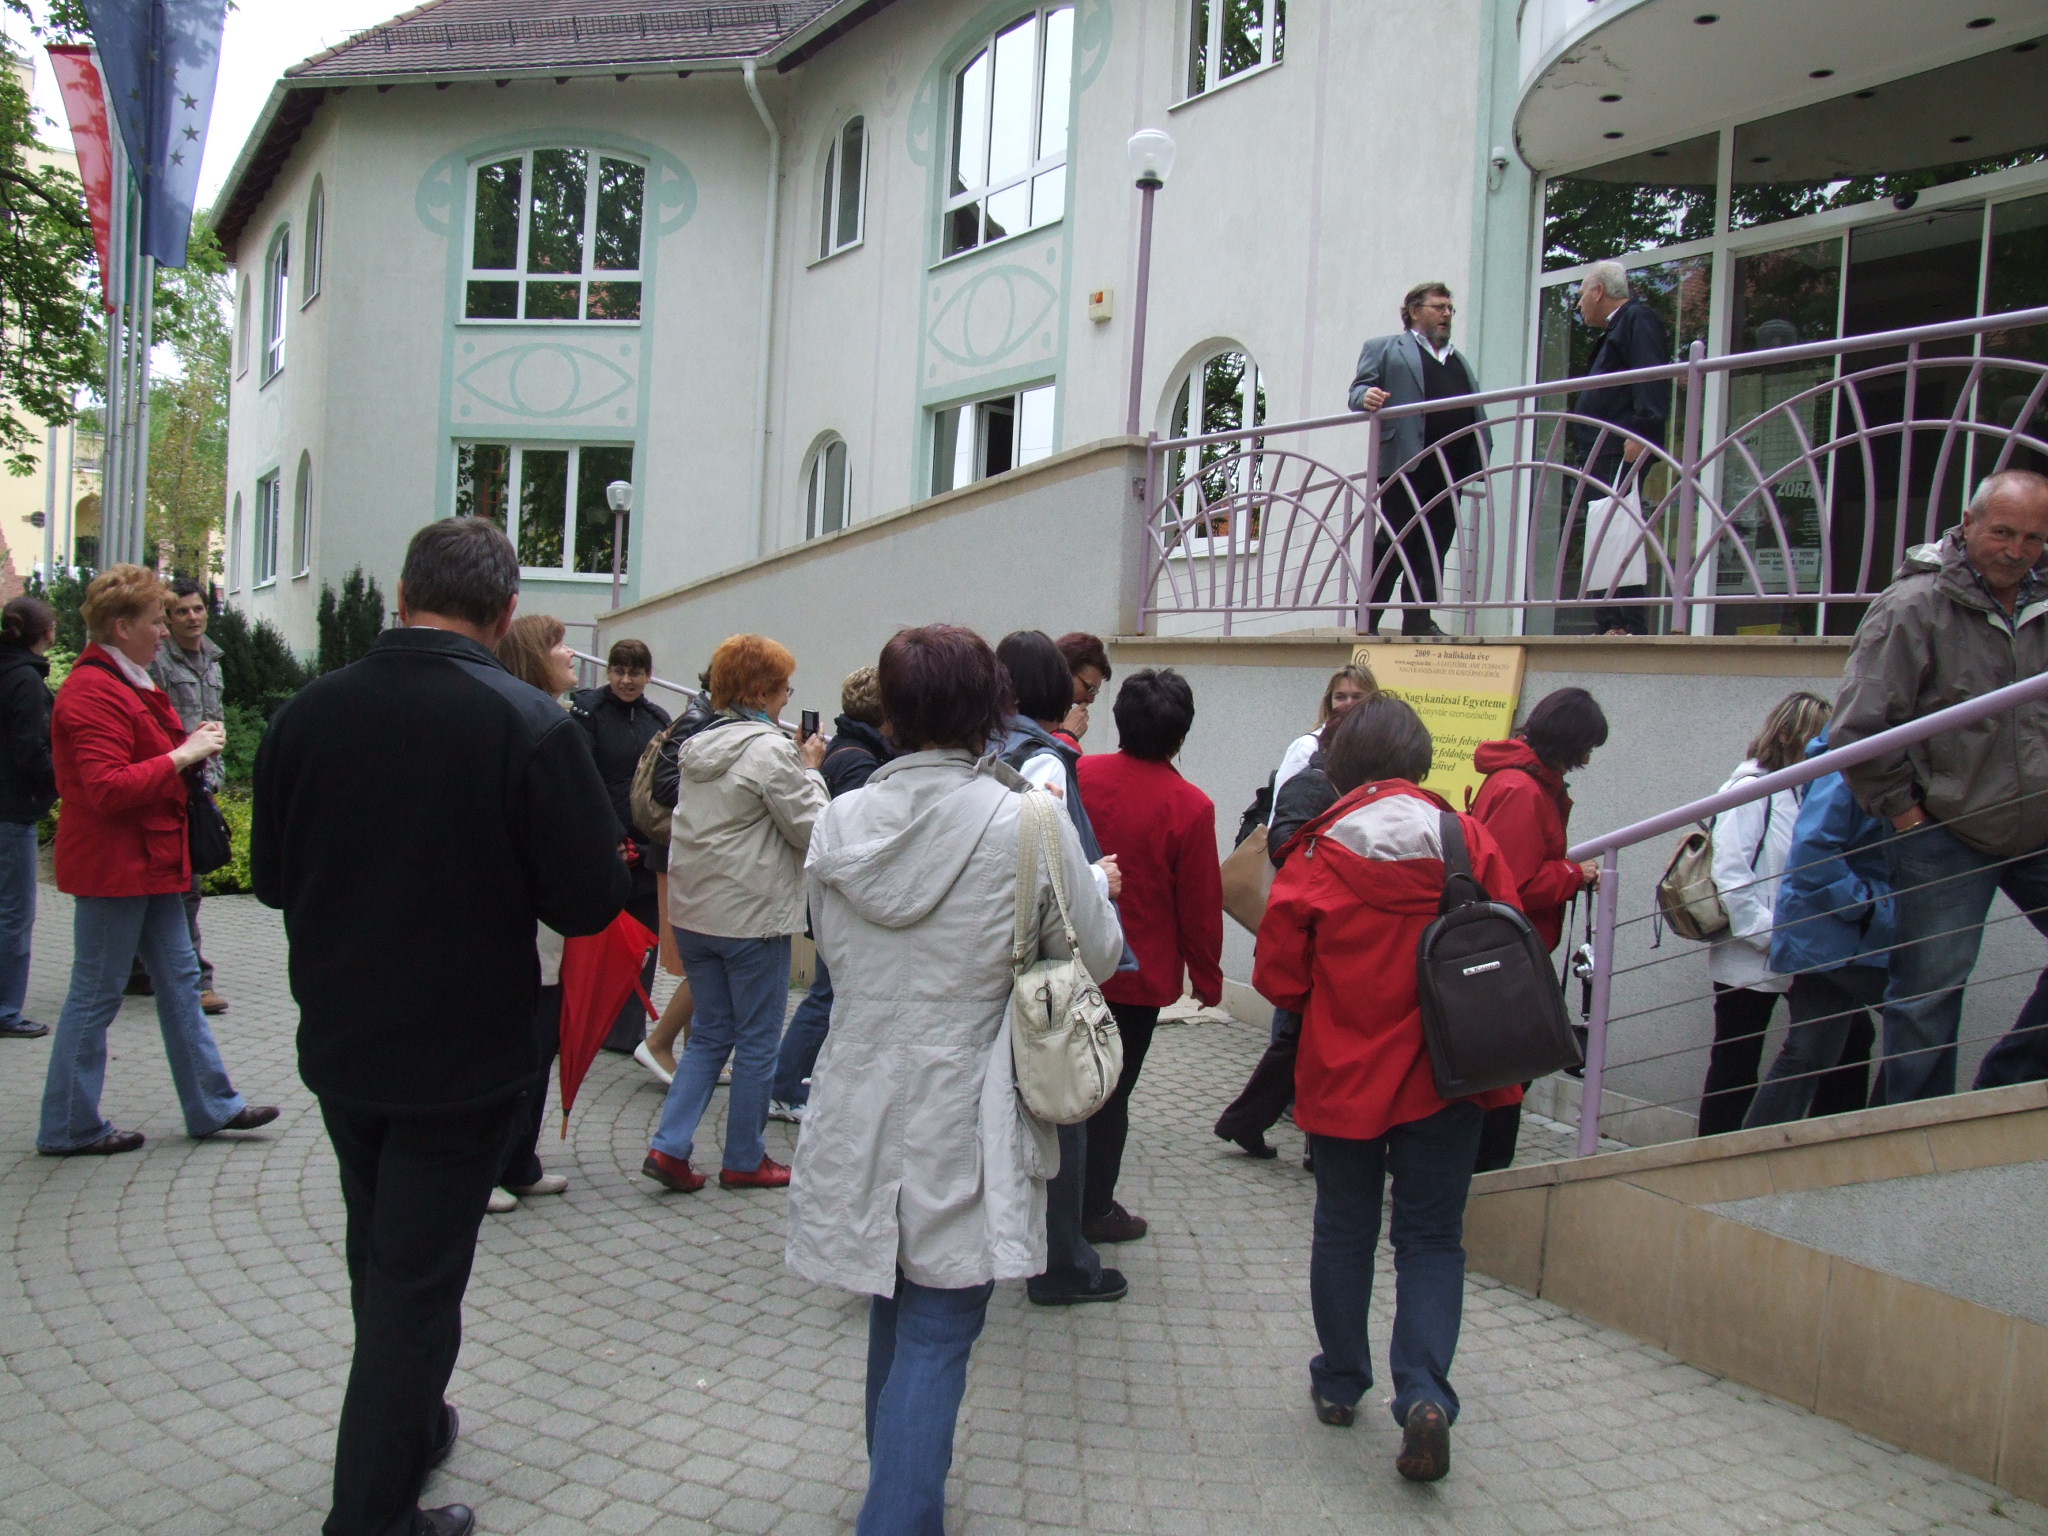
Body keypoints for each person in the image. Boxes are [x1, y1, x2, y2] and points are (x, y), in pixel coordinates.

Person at [253, 518, 628, 1536]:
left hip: (343, 1037)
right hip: (460, 1058)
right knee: (414, 1283)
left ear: (401, 594)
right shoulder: (527, 723)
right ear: (506, 612)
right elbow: (588, 902)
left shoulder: (307, 713)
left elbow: (271, 879)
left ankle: (408, 1426)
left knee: (382, 1257)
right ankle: (371, 1512)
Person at [787, 623, 1123, 1536]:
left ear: (892, 713)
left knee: (891, 1298)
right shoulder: (1029, 821)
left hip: (859, 1088)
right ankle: (898, 1515)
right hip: (969, 1101)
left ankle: (903, 1489)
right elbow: (1099, 953)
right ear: (991, 709)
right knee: (940, 1321)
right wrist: (1091, 887)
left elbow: (827, 946)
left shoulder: (838, 819)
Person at [1253, 693, 1524, 1484]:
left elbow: (1278, 978)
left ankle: (1341, 1383)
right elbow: (1511, 938)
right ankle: (1425, 1393)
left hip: (1345, 1076)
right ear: (1421, 759)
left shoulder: (1316, 851)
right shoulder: (1466, 839)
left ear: (1340, 768)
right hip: (1449, 1075)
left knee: (1344, 1231)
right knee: (1431, 1239)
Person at [36, 566, 274, 1156]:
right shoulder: (93, 690)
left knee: (180, 982)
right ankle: (68, 1125)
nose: (165, 631)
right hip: (117, 867)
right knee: (97, 993)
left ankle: (212, 1106)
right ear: (122, 627)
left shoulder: (124, 680)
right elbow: (106, 788)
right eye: (155, 621)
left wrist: (182, 752)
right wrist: (183, 754)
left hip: (150, 861)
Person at [1831, 470, 2048, 1104]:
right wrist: (1907, 817)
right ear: (1968, 523)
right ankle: (1913, 1136)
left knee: (1929, 997)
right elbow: (1859, 729)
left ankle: (2005, 1088)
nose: (2016, 550)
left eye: (2033, 538)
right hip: (1943, 830)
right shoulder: (1913, 605)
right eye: (2003, 532)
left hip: (2037, 824)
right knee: (1927, 998)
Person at [641, 633, 828, 1194]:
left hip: (695, 912)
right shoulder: (771, 751)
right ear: (762, 691)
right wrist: (812, 769)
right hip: (752, 917)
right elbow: (814, 827)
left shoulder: (699, 745)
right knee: (757, 1041)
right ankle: (744, 1157)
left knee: (709, 1035)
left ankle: (670, 1145)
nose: (787, 697)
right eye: (783, 688)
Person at [996, 629, 1127, 1306]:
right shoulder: (1045, 760)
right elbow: (1056, 875)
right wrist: (1098, 880)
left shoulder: (981, 748)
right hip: (1041, 965)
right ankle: (1061, 1264)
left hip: (983, 959)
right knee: (1062, 1103)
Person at [1075, 668, 1223, 1243]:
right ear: (1181, 736)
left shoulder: (1080, 772)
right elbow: (1199, 903)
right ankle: (1093, 1207)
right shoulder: (1190, 805)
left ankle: (1051, 1198)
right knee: (1111, 1094)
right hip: (1137, 975)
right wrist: (1207, 978)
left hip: (1071, 956)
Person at [1466, 687, 1610, 1170]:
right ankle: (1481, 1174)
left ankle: (1475, 1170)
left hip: (1510, 948)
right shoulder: (1522, 790)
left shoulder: (1525, 782)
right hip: (1508, 953)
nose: (1586, 759)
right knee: (1505, 1077)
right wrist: (1573, 874)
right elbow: (1511, 883)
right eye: (1584, 748)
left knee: (1504, 1074)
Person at [485, 614, 592, 1213]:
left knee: (541, 1044)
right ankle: (488, 1169)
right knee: (516, 1049)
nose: (571, 653)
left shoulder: (554, 717)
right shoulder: (525, 723)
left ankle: (519, 1161)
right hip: (519, 925)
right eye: (558, 645)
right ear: (532, 656)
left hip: (550, 926)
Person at [1696, 692, 1834, 1136]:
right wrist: (1770, 935)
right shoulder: (1752, 789)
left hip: (1795, 946)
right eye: (1816, 737)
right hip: (1753, 950)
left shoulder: (1801, 790)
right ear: (1789, 736)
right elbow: (1730, 873)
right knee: (1736, 1061)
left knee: (1841, 1044)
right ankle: (1714, 1155)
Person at [1744, 727, 1889, 1129]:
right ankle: (1884, 1145)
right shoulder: (1848, 761)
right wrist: (1866, 905)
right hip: (1844, 932)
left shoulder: (1845, 759)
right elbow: (1813, 852)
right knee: (1922, 1019)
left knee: (1810, 1053)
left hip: (1835, 933)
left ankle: (1756, 1152)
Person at [770, 666, 889, 1124]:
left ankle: (789, 1082)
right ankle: (784, 1086)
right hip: (840, 897)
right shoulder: (860, 761)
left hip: (827, 893)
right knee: (827, 994)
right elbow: (856, 836)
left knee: (827, 993)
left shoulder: (842, 747)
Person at [1213, 737, 1338, 1161]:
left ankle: (1247, 1122)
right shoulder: (1312, 783)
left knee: (1298, 1039)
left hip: (1315, 923)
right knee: (1300, 1035)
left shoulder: (1341, 782)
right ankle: (1305, 1139)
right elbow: (1284, 844)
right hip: (1307, 925)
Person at [1348, 282, 1492, 636]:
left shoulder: (1457, 358)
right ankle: (1367, 616)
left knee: (1435, 543)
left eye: (1450, 309)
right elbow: (1357, 391)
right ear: (1414, 311)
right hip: (1407, 462)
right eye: (1439, 307)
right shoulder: (1384, 348)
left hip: (1452, 466)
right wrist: (1366, 396)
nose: (1447, 314)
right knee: (1396, 540)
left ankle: (1418, 619)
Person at [570, 637, 673, 1055]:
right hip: (602, 845)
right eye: (619, 671)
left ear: (649, 676)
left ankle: (627, 1032)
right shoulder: (587, 713)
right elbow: (583, 779)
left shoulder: (657, 719)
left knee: (643, 943)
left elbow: (664, 786)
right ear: (608, 671)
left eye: (636, 672)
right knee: (592, 941)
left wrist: (648, 842)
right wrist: (611, 836)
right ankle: (581, 1024)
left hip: (645, 849)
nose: (626, 680)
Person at [1569, 260, 1674, 636]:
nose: (1579, 303)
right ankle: (1610, 620)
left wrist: (1641, 432)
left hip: (1619, 446)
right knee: (1605, 531)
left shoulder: (1636, 319)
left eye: (1582, 294)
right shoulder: (1619, 326)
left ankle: (1624, 623)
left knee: (1618, 530)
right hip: (1604, 448)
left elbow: (1649, 374)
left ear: (1598, 291)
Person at [151, 578, 229, 1015]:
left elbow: (216, 721)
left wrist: (214, 777)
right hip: (170, 782)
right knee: (186, 887)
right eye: (181, 611)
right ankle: (195, 981)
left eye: (197, 608)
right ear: (168, 618)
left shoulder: (213, 661)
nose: (192, 617)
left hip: (200, 788)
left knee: (184, 884)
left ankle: (143, 970)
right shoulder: (158, 662)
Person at [0, 594, 57, 1040]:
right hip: (13, 810)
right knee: (15, 914)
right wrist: (62, 784)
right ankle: (6, 1010)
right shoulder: (26, 681)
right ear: (48, 633)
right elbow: (31, 750)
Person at [1271, 665, 1375, 810]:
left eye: (1357, 697)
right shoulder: (1307, 747)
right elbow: (1281, 809)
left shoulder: (1377, 747)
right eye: (1340, 697)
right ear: (1329, 702)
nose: (1349, 703)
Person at [1053, 631, 1111, 747]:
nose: (1091, 700)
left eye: (1095, 692)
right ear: (1065, 672)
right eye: (1089, 688)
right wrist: (1068, 736)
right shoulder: (1028, 710)